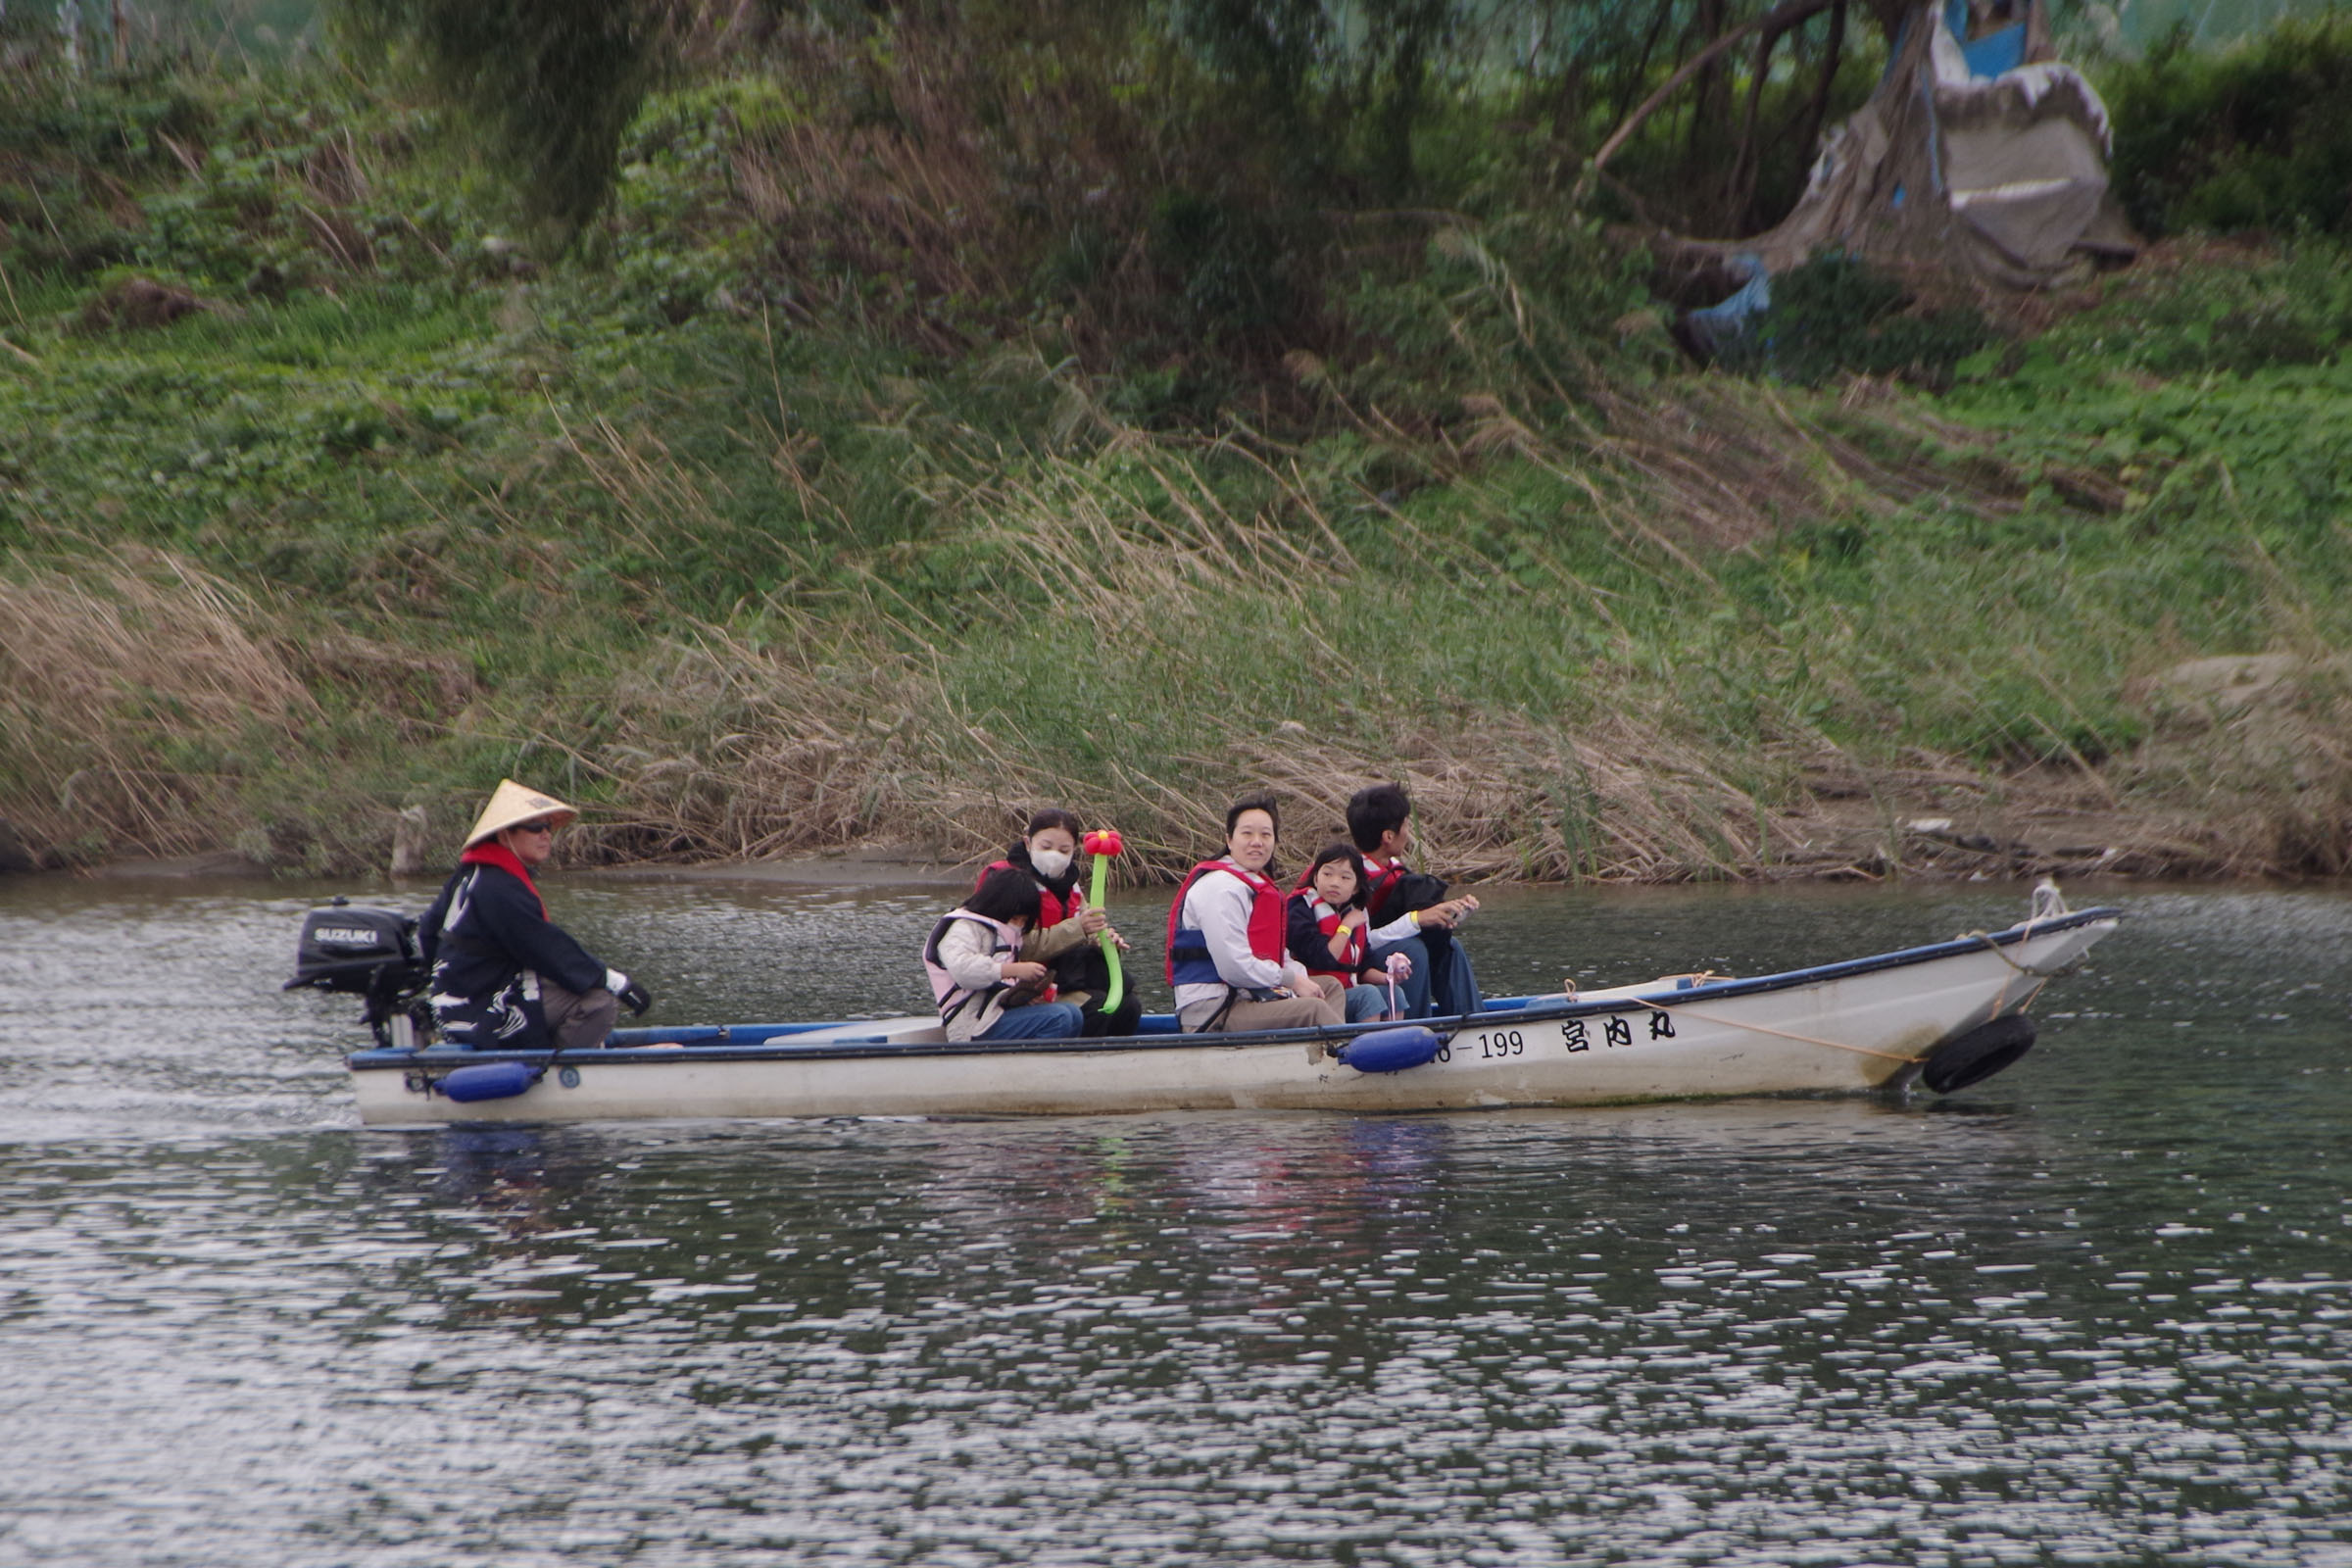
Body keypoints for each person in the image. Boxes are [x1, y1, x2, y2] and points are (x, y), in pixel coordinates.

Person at [417, 779, 652, 1051]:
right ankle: (562, 1072)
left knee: (570, 984)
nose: (546, 834)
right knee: (598, 1002)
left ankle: (567, 1051)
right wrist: (617, 983)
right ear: (505, 835)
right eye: (534, 827)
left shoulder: (471, 874)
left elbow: (426, 932)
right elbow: (545, 947)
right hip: (480, 1010)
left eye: (548, 827)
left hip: (455, 1001)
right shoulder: (499, 887)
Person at [1166, 793, 1345, 1033]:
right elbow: (1233, 967)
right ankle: (1345, 1058)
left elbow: (1274, 955)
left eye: (1266, 835)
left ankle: (1321, 1057)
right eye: (1247, 833)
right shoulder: (1221, 888)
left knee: (1330, 987)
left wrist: (1300, 979)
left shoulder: (1251, 884)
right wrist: (1291, 980)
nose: (1257, 842)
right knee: (1314, 1009)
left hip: (1249, 996)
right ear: (1229, 840)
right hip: (1215, 1009)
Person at [976, 808, 1141, 1038]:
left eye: (1064, 850)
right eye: (1046, 847)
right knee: (1097, 1007)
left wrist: (1104, 941)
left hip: (1059, 978)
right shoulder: (1007, 883)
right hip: (1015, 985)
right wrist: (1079, 928)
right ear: (1027, 842)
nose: (1054, 855)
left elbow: (1088, 927)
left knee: (1129, 1005)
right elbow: (1018, 945)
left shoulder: (1070, 885)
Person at [1348, 781, 1484, 1019]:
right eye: (1406, 825)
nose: (1408, 833)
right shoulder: (1348, 879)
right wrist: (1417, 920)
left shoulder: (1393, 870)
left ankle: (1473, 1020)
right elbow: (1361, 944)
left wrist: (1450, 912)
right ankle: (1416, 1030)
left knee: (1449, 946)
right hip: (1359, 965)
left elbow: (1411, 918)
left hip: (1385, 951)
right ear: (1388, 836)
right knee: (1411, 950)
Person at [924, 868, 1088, 1042]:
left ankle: (1051, 1062)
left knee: (1073, 1013)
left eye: (1023, 921)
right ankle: (1032, 1065)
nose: (1018, 926)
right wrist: (1013, 970)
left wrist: (1024, 998)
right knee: (1059, 1017)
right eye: (1015, 918)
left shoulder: (1005, 934)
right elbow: (964, 971)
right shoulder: (962, 928)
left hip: (995, 1015)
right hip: (972, 1026)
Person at [1287, 843, 1416, 1023]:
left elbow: (1362, 968)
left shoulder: (1354, 913)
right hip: (1318, 995)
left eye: (1345, 878)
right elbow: (1324, 957)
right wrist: (1346, 926)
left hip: (1348, 990)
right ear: (1316, 879)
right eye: (1327, 874)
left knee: (1394, 993)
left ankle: (1393, 1043)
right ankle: (1367, 1048)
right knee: (1368, 995)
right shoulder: (1300, 909)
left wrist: (1390, 978)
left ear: (1356, 887)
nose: (1334, 882)